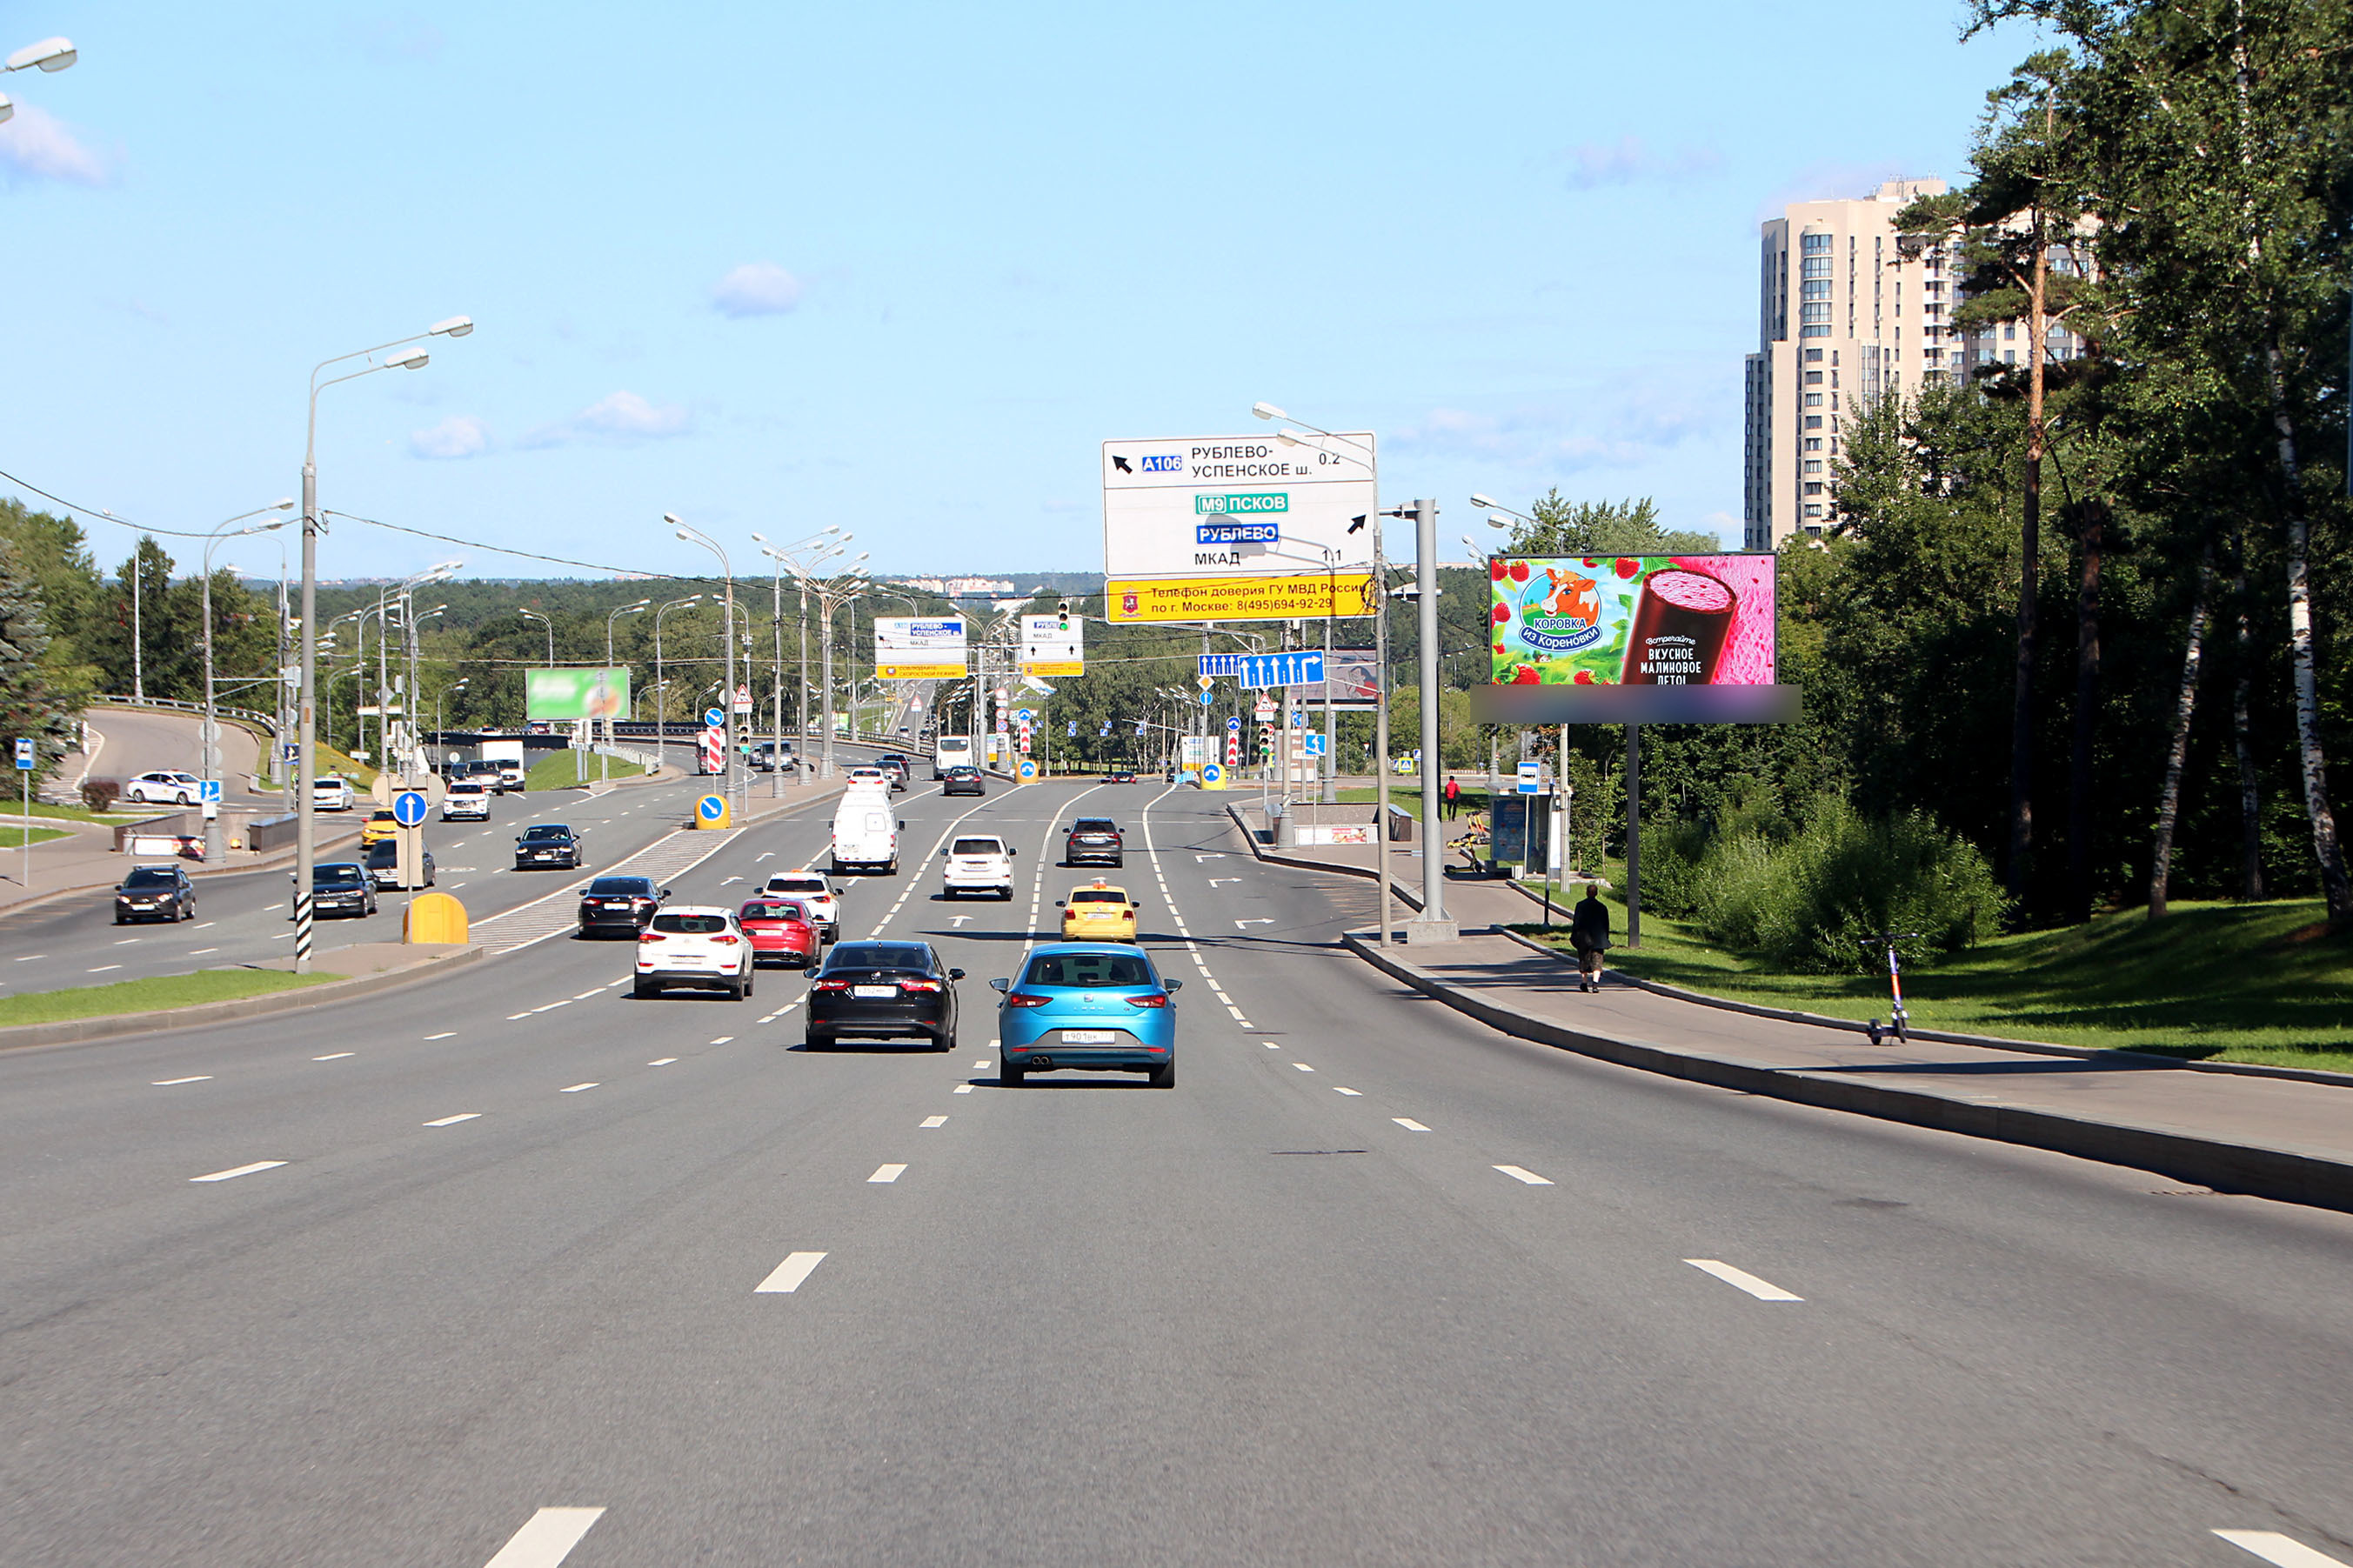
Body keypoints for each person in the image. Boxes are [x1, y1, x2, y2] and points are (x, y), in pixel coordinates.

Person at [1569, 882, 1610, 993]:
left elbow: (1576, 922)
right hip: (1599, 939)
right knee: (1597, 962)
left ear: (1587, 893)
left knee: (1584, 961)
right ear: (1596, 893)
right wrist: (1605, 938)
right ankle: (1595, 985)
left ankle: (1584, 983)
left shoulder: (1580, 906)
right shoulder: (1602, 907)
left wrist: (1574, 935)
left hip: (1584, 938)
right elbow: (1606, 925)